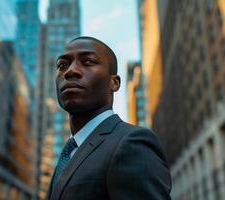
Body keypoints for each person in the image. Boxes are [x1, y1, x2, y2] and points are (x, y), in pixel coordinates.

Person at [46, 36, 171, 200]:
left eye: (88, 61)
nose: (70, 71)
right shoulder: (68, 154)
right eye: (62, 65)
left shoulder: (131, 143)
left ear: (114, 83)